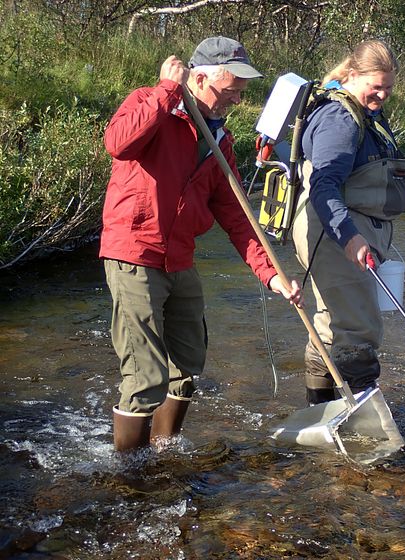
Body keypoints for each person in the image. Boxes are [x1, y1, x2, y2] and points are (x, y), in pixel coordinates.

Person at [100, 36, 303, 452]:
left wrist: (273, 276)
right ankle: (129, 478)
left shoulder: (220, 143)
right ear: (198, 78)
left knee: (188, 365)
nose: (235, 101)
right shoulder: (150, 101)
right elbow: (118, 143)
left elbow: (239, 219)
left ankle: (163, 452)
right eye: (229, 91)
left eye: (240, 94)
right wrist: (165, 91)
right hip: (134, 253)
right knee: (144, 378)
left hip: (179, 260)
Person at [291, 40, 405, 404]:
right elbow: (324, 185)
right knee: (359, 328)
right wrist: (349, 237)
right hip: (333, 233)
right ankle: (366, 427)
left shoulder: (365, 111)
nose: (383, 95)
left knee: (332, 323)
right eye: (376, 86)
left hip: (345, 231)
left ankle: (319, 410)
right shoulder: (339, 119)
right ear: (353, 75)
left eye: (389, 88)